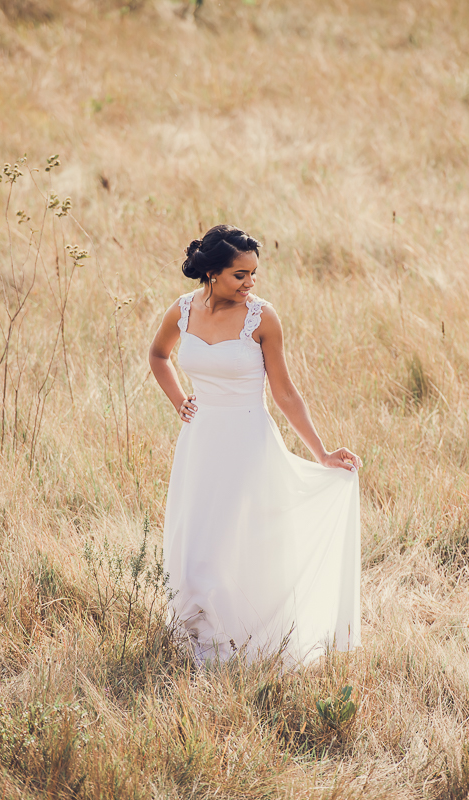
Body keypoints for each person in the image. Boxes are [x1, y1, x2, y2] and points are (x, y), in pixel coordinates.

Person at [147, 224, 363, 667]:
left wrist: (321, 453)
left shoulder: (262, 318)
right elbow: (158, 355)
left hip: (247, 442)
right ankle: (195, 638)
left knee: (231, 540)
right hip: (200, 441)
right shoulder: (182, 310)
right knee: (195, 539)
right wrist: (178, 401)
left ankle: (238, 643)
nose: (250, 284)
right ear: (211, 273)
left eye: (253, 274)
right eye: (239, 275)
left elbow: (285, 393)